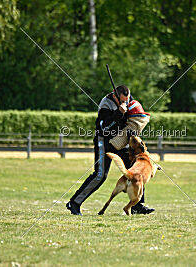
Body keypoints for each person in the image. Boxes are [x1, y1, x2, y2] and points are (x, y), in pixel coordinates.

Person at [66, 85, 155, 215]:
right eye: (123, 100)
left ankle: (137, 205)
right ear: (115, 95)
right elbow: (104, 128)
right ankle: (74, 203)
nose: (126, 102)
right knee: (100, 175)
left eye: (128, 99)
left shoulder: (128, 98)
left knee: (136, 169)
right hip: (105, 141)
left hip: (121, 140)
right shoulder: (105, 104)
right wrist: (119, 113)